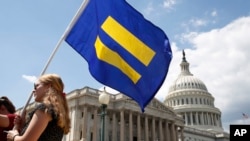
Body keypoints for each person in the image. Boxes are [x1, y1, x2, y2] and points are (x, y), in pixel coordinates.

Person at [7, 74, 71, 141]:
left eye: (36, 86)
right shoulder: (54, 110)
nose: (33, 90)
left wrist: (14, 136)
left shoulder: (45, 109)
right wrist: (22, 124)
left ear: (48, 86)